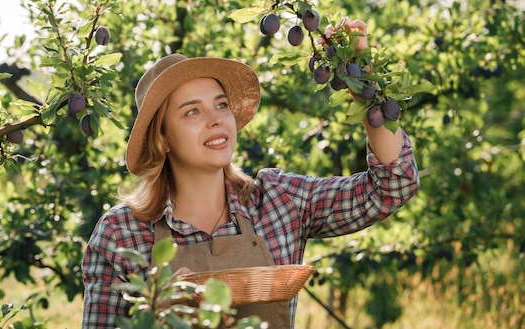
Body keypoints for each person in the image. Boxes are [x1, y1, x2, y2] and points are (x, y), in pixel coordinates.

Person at [82, 34, 419, 328]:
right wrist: (156, 318)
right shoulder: (121, 233)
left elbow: (390, 187)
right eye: (192, 112)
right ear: (163, 139)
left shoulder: (277, 201)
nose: (216, 120)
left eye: (221, 105)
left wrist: (367, 92)